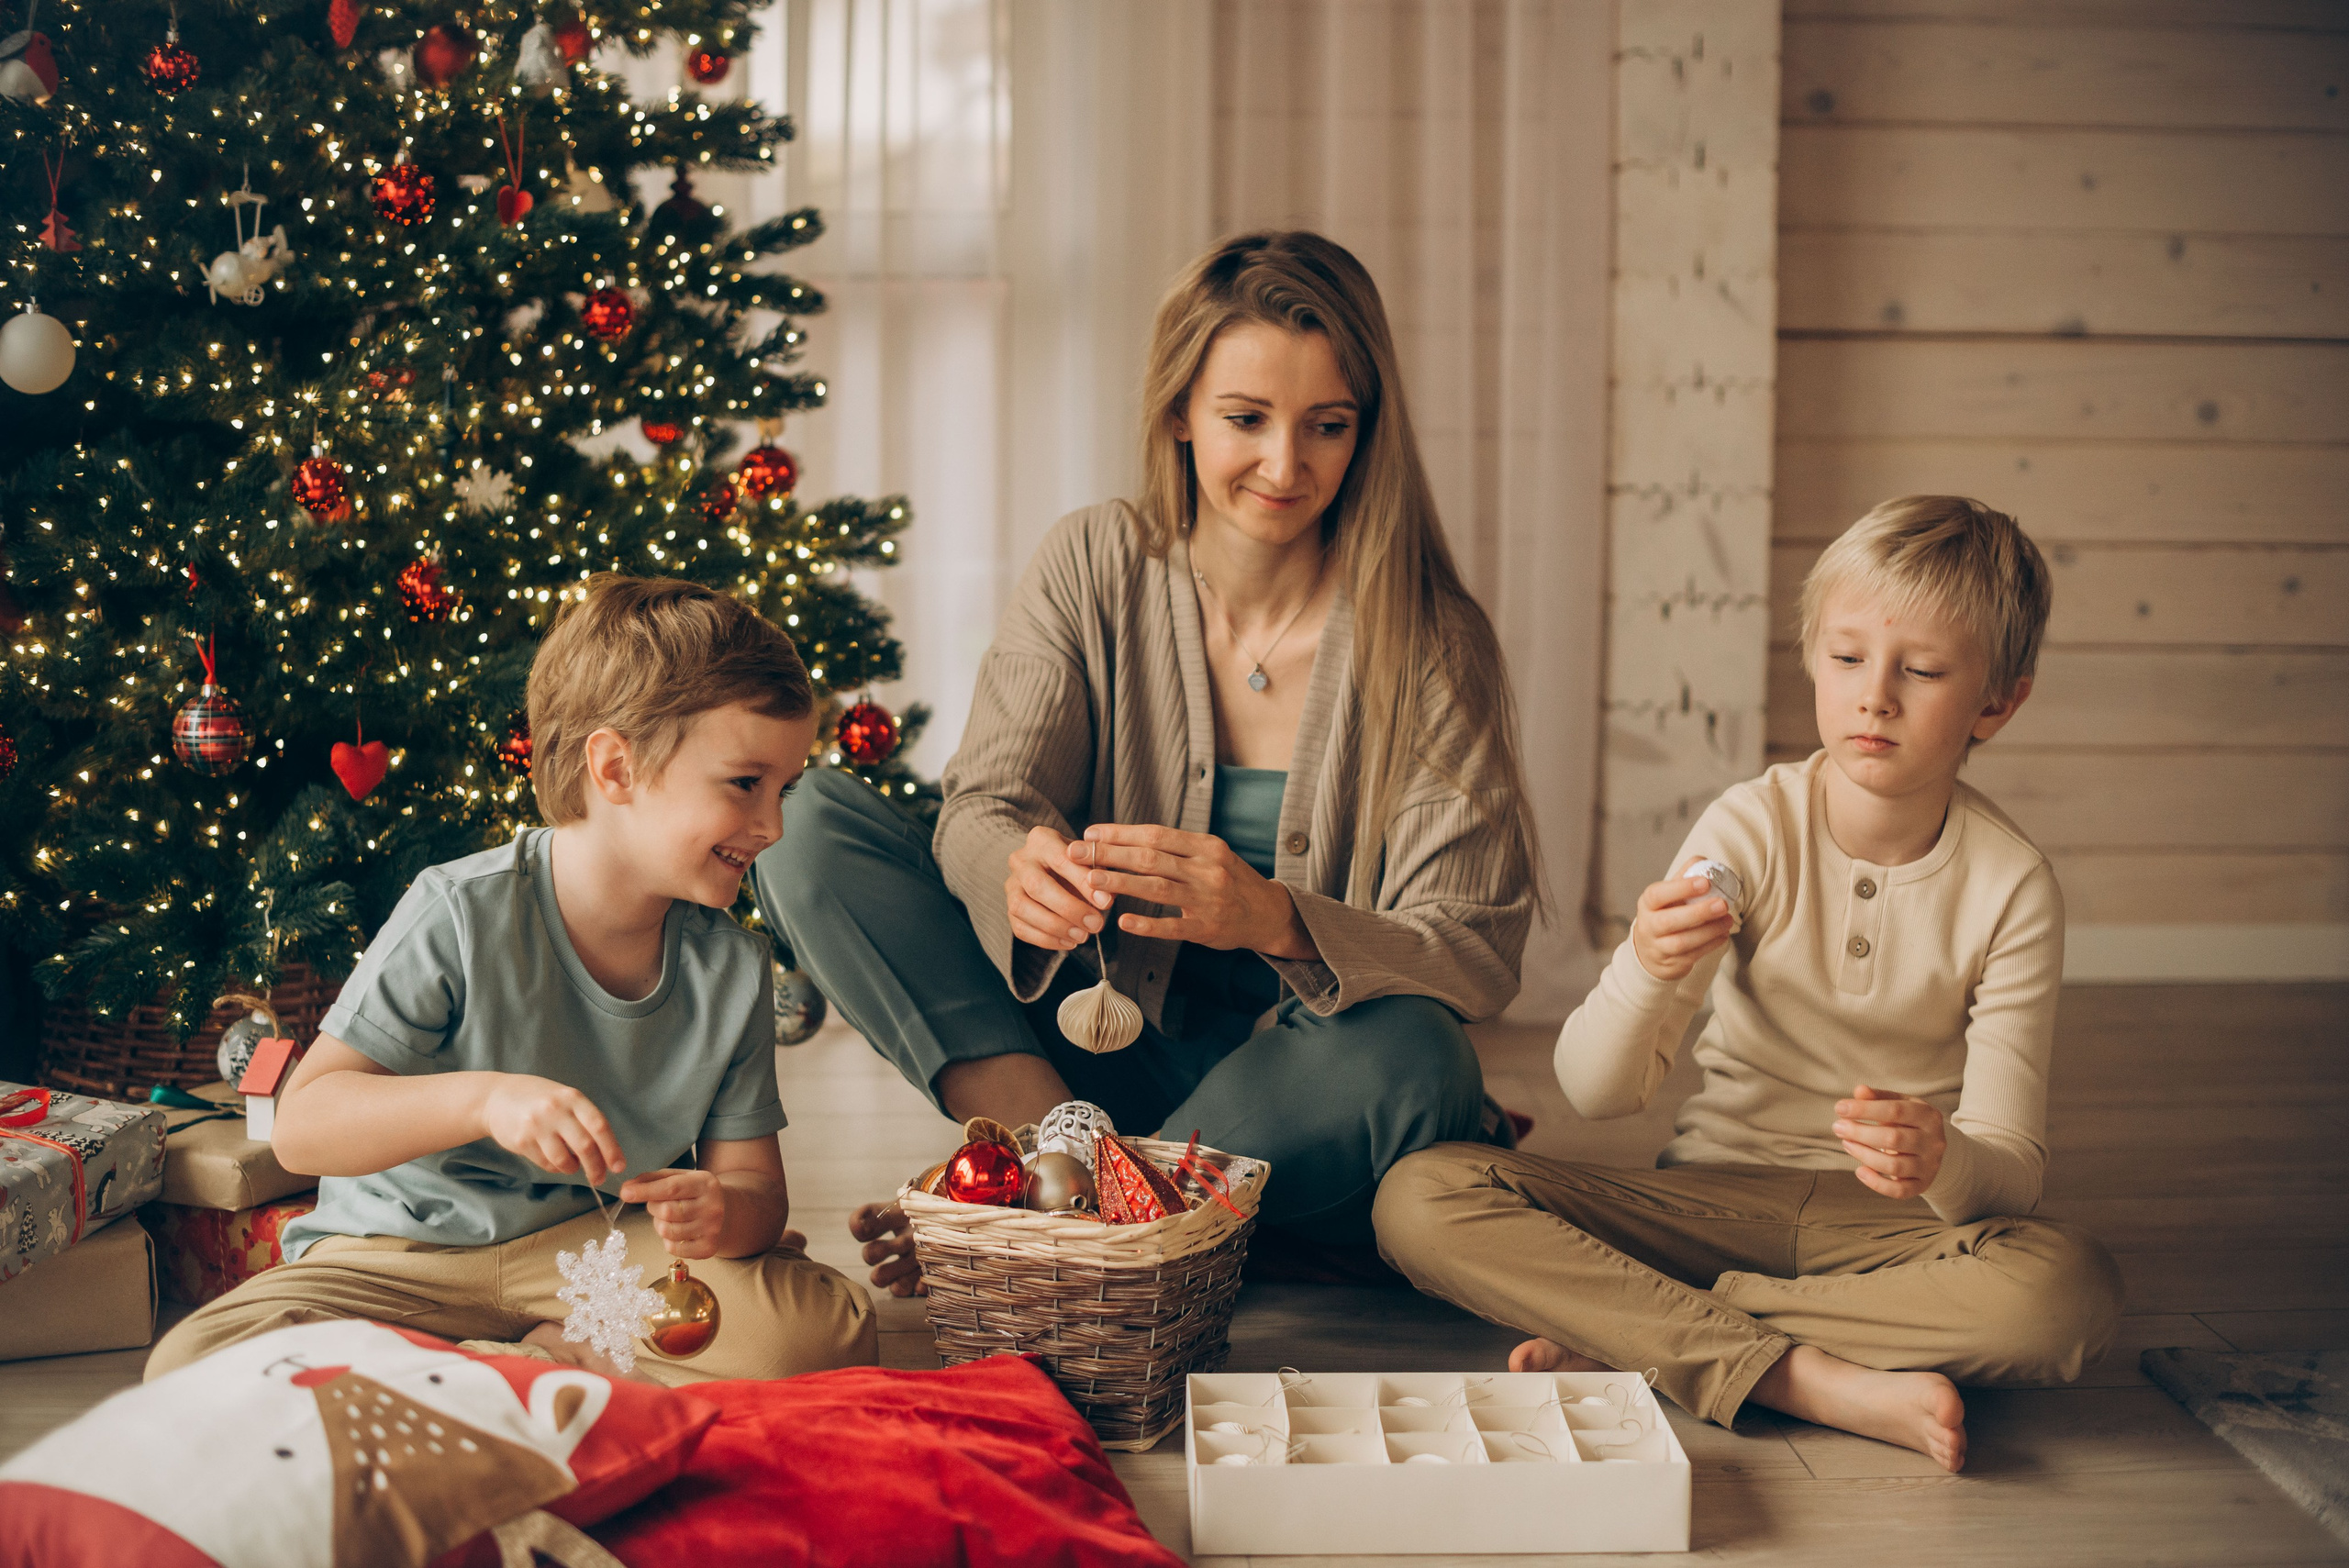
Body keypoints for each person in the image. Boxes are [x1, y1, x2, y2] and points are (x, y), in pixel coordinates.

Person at [755, 231, 1540, 1293]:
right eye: (1245, 419)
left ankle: (1055, 1217)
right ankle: (1088, 1182)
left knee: (1419, 1053)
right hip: (1090, 1052)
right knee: (809, 825)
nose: (1284, 465)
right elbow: (984, 801)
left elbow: (1471, 949)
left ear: (1368, 431)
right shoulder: (1094, 561)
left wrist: (1273, 917)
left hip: (1305, 1079)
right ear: (1178, 411)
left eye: (1327, 427)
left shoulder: (1433, 639)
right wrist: (1017, 866)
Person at [1374, 496, 2122, 1473]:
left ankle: (1650, 1336)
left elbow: (2010, 1172)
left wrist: (1940, 1156)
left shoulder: (2011, 884)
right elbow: (1598, 1093)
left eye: (1923, 669)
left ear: (1996, 702)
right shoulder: (1749, 826)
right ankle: (1802, 1375)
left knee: (2068, 1288)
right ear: (1812, 657)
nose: (1875, 696)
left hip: (1892, 1233)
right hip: (1708, 1201)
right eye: (1848, 657)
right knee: (1419, 1194)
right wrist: (1645, 960)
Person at [147, 577, 877, 1384]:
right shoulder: (458, 910)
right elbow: (304, 1125)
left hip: (592, 1264)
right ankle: (518, 1366)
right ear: (616, 767)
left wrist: (725, 1211)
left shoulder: (731, 968)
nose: (772, 825)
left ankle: (485, 1368)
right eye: (745, 783)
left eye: (785, 790)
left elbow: (756, 1192)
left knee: (823, 1334)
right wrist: (485, 1099)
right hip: (399, 1261)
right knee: (193, 1364)